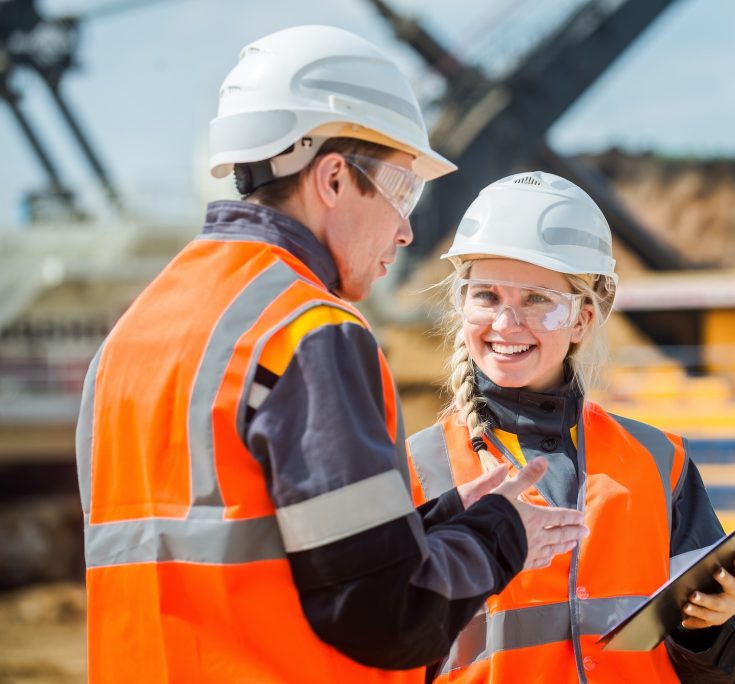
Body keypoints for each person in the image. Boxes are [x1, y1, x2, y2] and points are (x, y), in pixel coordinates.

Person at [74, 26, 587, 682]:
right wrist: (500, 534)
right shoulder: (308, 331)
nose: (406, 229)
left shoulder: (134, 335)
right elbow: (385, 613)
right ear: (335, 178)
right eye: (404, 191)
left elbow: (256, 548)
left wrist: (441, 519)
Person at [406, 171, 735, 682]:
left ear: (583, 320)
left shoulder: (659, 463)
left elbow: (721, 665)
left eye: (536, 299)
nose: (506, 324)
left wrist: (712, 625)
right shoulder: (419, 470)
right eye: (486, 295)